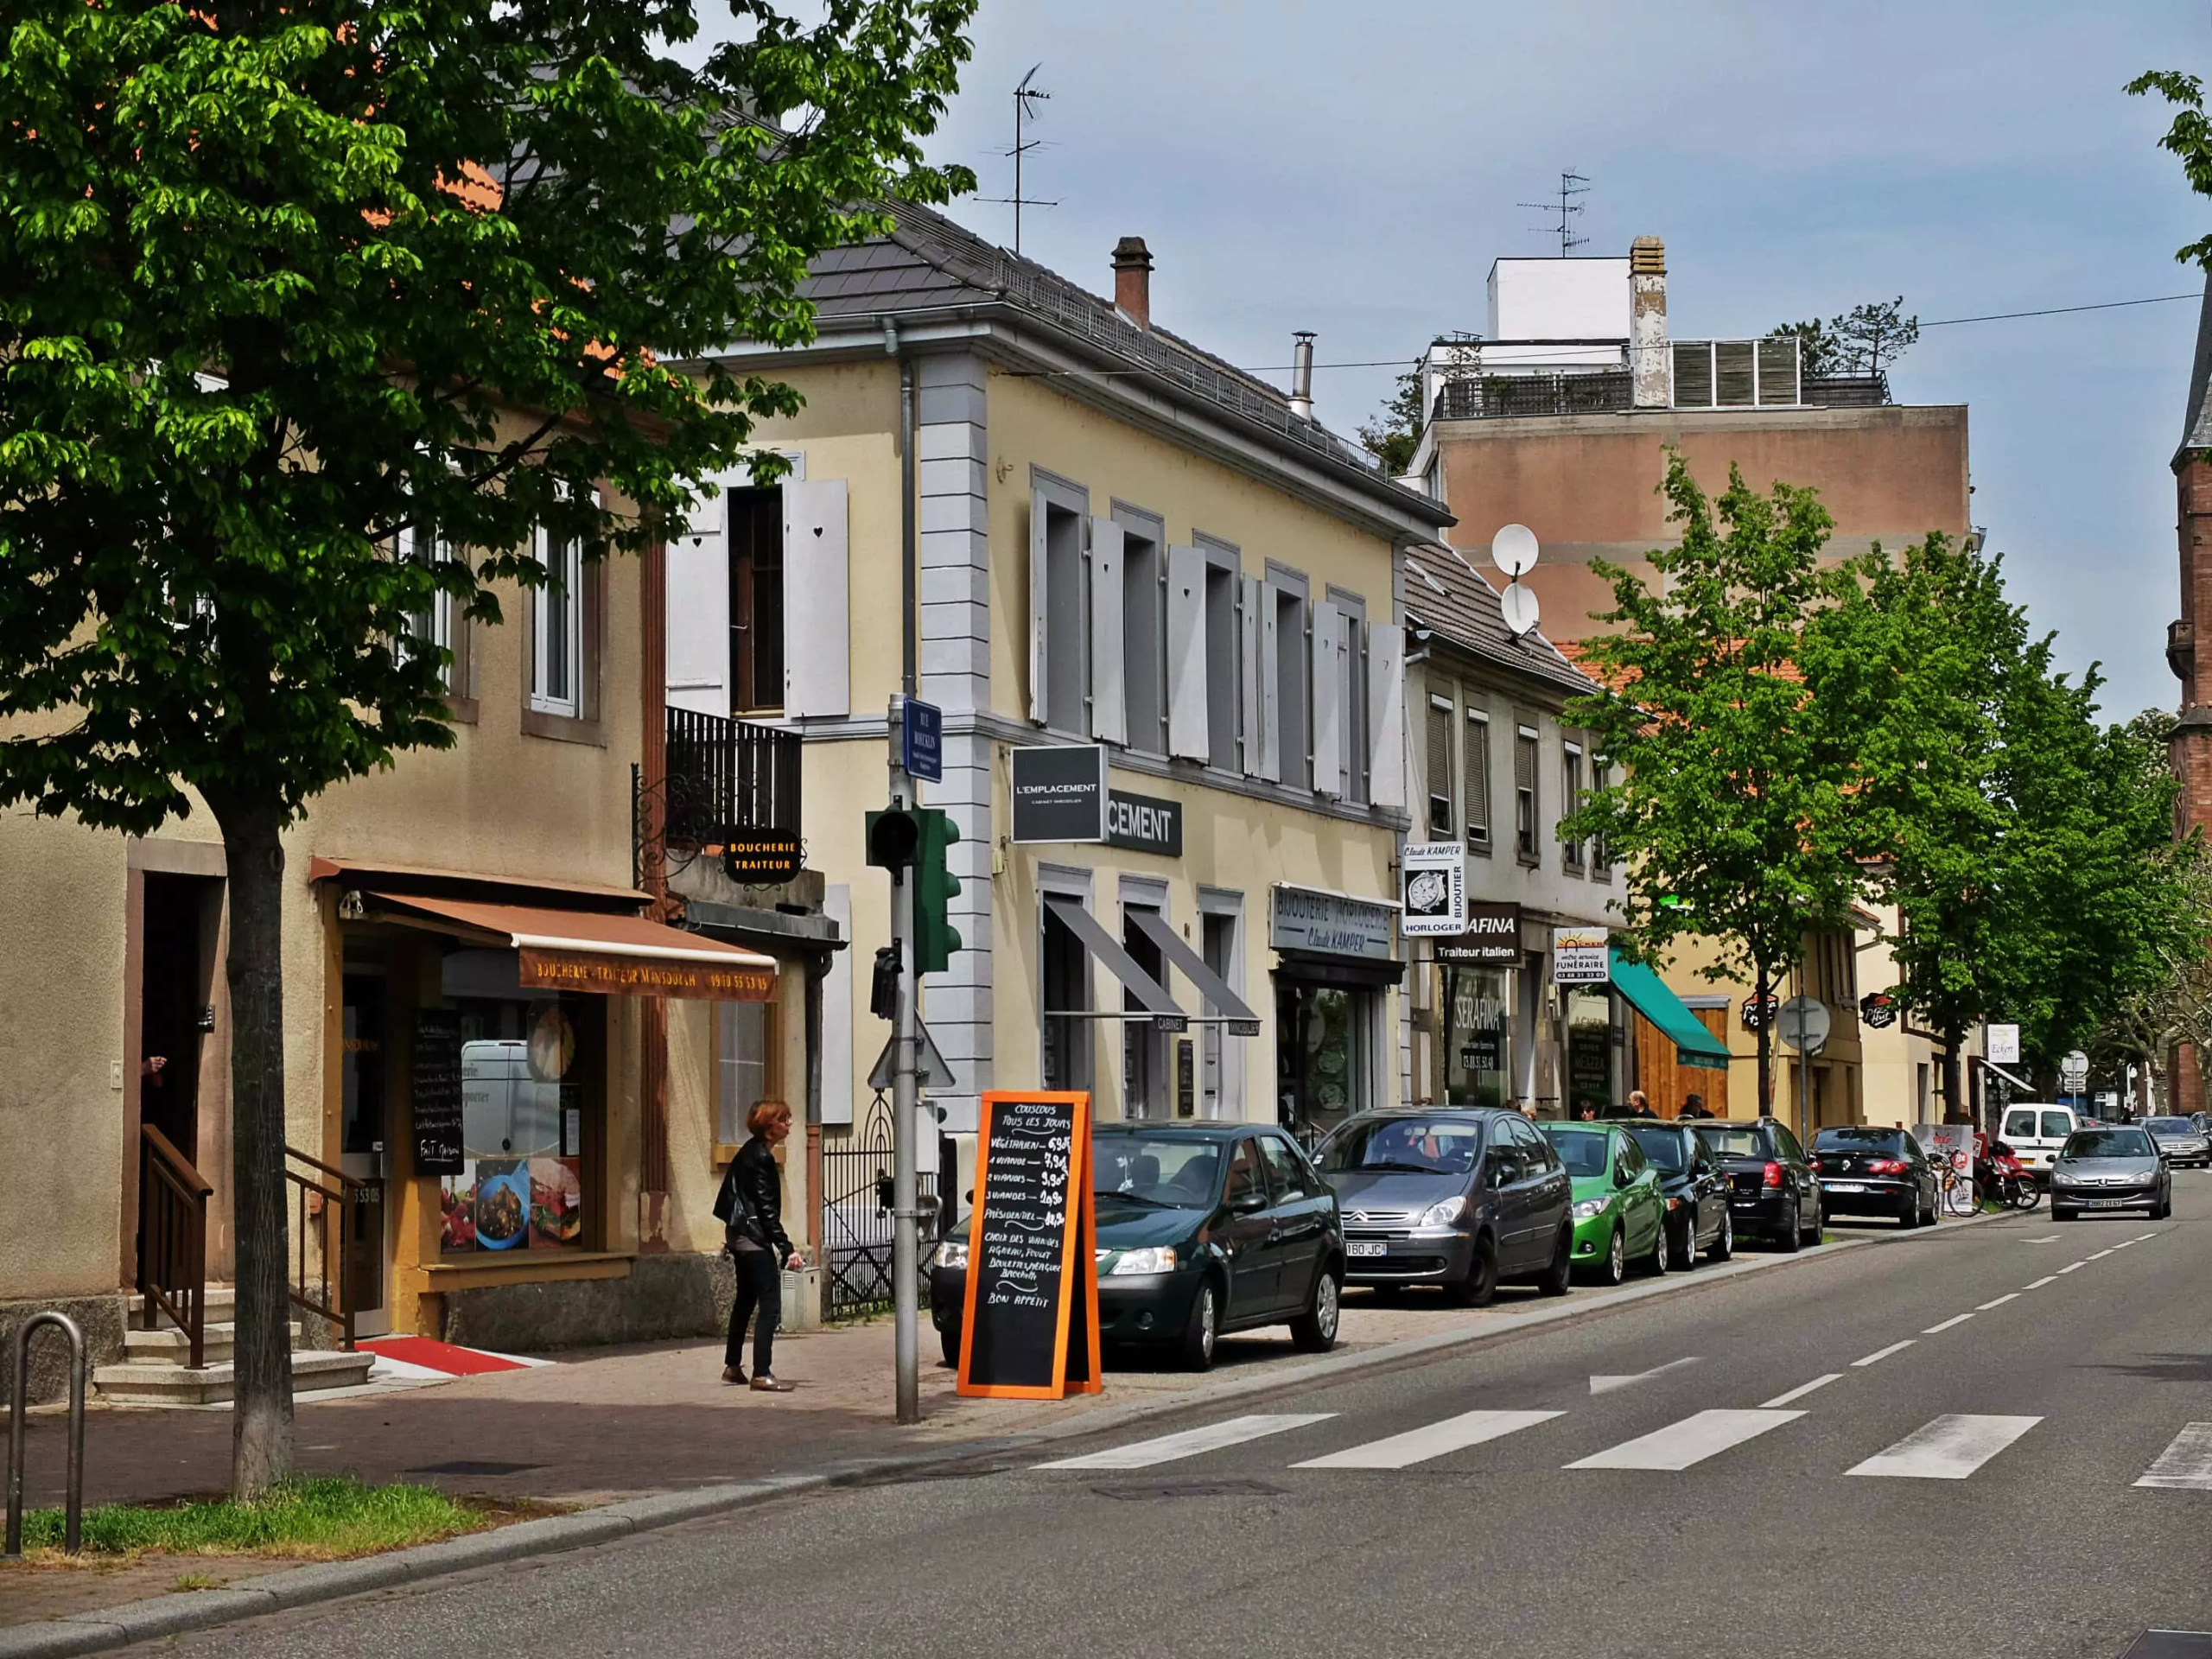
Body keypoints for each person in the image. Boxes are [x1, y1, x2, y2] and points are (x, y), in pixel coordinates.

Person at [715, 1098, 804, 1392]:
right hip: (752, 1237)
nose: (789, 1123)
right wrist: (787, 1248)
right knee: (770, 1305)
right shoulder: (762, 1158)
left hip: (738, 1234)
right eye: (784, 1119)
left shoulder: (749, 1152)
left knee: (744, 1301)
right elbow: (766, 1210)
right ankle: (761, 1373)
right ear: (770, 1127)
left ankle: (732, 1367)